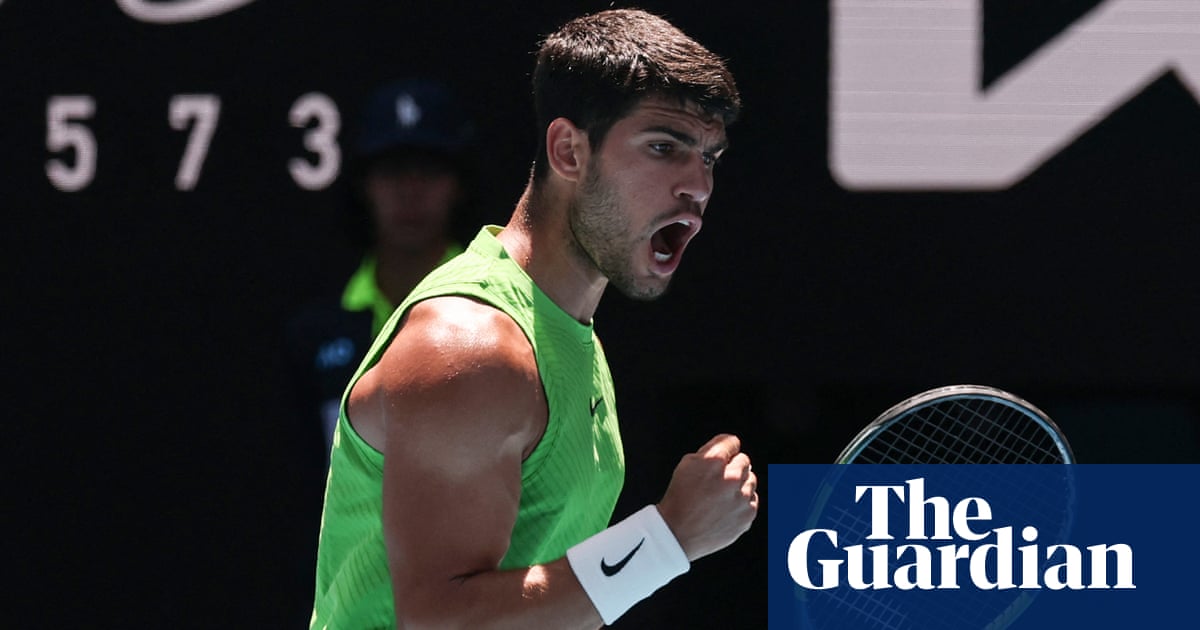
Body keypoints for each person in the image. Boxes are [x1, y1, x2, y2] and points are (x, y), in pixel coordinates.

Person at [310, 8, 757, 629]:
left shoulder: (567, 333)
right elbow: (441, 621)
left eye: (709, 158)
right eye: (664, 147)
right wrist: (668, 540)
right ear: (568, 151)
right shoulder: (471, 347)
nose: (696, 185)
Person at [285, 78, 476, 457]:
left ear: (459, 183)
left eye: (429, 170)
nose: (410, 191)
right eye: (392, 171)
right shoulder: (315, 331)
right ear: (363, 184)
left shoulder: (505, 312)